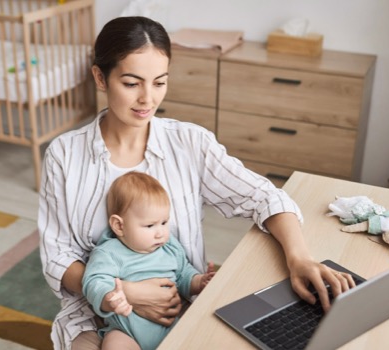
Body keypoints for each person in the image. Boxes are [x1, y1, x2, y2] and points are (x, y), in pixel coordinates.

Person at [38, 16, 355, 350]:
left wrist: (299, 259)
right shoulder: (64, 155)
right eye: (132, 83)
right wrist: (127, 293)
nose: (148, 99)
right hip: (95, 313)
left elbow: (264, 198)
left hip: (180, 305)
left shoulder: (190, 143)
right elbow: (57, 257)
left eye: (159, 82)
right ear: (100, 78)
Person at [82, 171, 215, 350]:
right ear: (119, 226)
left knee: (203, 333)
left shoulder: (169, 246)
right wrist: (109, 298)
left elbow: (183, 274)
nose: (160, 232)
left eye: (164, 222)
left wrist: (199, 281)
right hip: (126, 332)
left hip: (171, 326)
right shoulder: (109, 253)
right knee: (114, 345)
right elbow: (94, 281)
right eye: (150, 225)